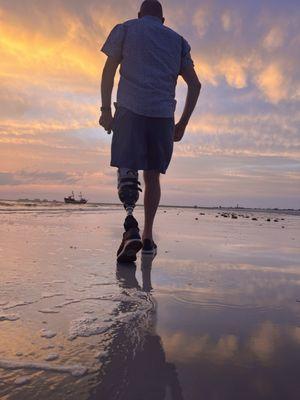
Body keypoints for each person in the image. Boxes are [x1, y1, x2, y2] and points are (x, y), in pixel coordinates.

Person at [99, 0, 201, 263]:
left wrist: (106, 111)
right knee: (153, 177)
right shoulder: (178, 41)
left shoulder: (126, 28)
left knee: (127, 167)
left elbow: (109, 70)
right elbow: (195, 85)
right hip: (162, 117)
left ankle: (130, 225)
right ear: (163, 20)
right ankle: (147, 237)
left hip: (130, 111)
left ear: (139, 14)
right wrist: (182, 124)